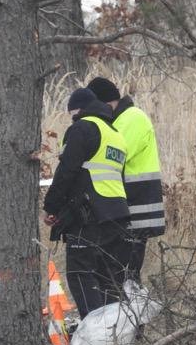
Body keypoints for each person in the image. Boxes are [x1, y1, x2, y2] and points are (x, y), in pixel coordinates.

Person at [43, 88, 130, 320]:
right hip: (117, 214)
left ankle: (96, 334)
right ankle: (120, 331)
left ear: (78, 110)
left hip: (89, 215)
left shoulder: (83, 127)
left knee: (81, 274)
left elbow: (68, 171)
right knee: (108, 277)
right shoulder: (115, 133)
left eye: (72, 114)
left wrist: (51, 206)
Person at [87, 77, 165, 282]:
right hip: (126, 206)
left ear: (105, 104)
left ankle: (131, 310)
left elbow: (114, 154)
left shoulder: (131, 118)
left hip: (137, 205)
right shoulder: (119, 120)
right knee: (117, 270)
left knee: (126, 272)